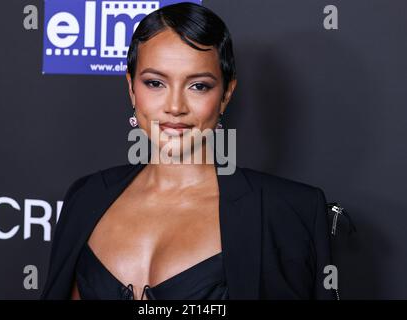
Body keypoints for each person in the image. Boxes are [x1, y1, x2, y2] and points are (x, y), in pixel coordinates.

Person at [41, 2, 335, 300]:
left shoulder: (285, 212)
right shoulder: (85, 197)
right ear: (132, 89)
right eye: (155, 83)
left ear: (225, 95)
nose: (175, 107)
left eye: (198, 86)